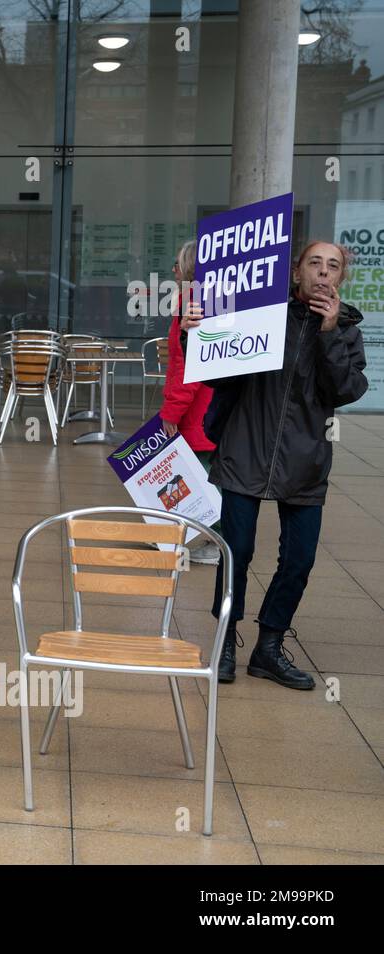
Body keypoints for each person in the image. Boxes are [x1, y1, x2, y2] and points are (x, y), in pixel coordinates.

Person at [185, 241, 367, 688]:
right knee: (237, 552)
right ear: (296, 272)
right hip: (246, 447)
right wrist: (197, 333)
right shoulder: (262, 317)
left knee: (299, 560)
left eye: (333, 266)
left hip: (306, 459)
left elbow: (344, 389)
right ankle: (226, 641)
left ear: (340, 278)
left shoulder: (345, 330)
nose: (323, 273)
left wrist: (327, 335)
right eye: (314, 263)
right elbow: (216, 373)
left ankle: (269, 646)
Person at [158, 239, 220, 566]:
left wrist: (172, 412)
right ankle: (208, 539)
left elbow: (187, 366)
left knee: (201, 480)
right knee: (203, 476)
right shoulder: (205, 300)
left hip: (197, 414)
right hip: (206, 409)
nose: (173, 270)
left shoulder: (193, 302)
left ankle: (215, 543)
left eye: (178, 264)